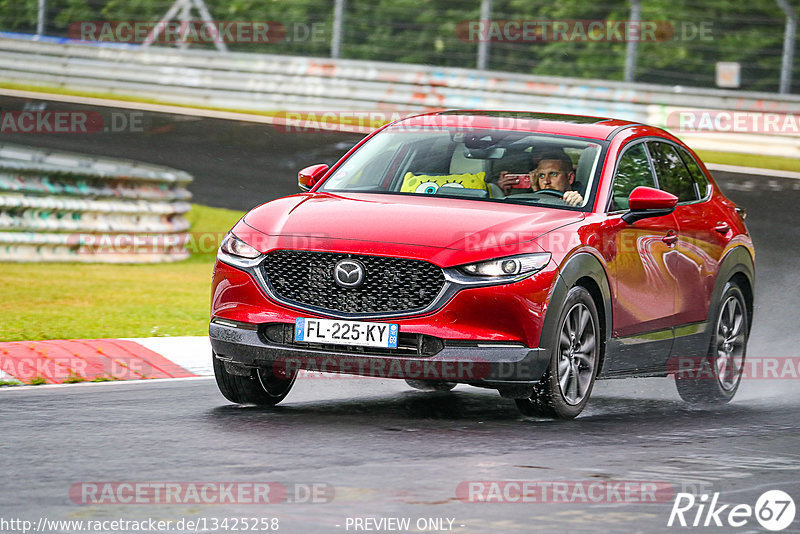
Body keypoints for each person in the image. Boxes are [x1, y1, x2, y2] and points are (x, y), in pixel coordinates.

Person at [497, 149, 584, 207]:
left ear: (570, 178)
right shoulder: (530, 193)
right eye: (541, 176)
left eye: (553, 174)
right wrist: (501, 193)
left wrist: (579, 202)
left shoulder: (586, 195)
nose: (546, 181)